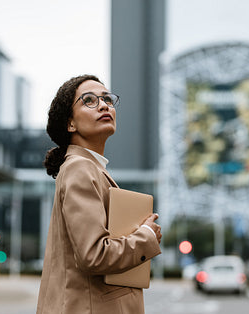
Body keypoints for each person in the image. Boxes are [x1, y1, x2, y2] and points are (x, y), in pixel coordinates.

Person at [37, 74, 162, 314]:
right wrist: (146, 236)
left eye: (107, 99)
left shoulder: (88, 168)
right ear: (70, 124)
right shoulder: (79, 168)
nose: (104, 105)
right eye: (89, 101)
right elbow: (94, 255)